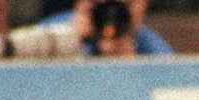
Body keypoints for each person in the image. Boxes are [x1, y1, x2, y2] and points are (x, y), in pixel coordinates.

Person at [40, 0, 172, 57]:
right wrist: (71, 41)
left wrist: (128, 65)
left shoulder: (151, 48)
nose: (111, 15)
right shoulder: (53, 30)